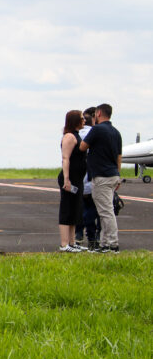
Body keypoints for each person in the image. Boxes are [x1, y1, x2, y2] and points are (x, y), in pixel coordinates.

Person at [79, 103, 122, 253]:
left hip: (102, 176)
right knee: (106, 210)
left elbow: (82, 147)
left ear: (98, 114)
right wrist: (118, 174)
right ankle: (105, 243)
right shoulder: (116, 132)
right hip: (112, 175)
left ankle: (112, 244)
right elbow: (118, 156)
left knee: (105, 211)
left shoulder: (97, 130)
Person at [58, 110, 87, 252]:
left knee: (75, 209)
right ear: (75, 120)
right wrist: (66, 179)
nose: (84, 120)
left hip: (77, 178)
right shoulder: (70, 137)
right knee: (67, 209)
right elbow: (66, 158)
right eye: (81, 118)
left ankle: (72, 241)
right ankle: (64, 244)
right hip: (70, 178)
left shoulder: (77, 136)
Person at [76, 107, 100, 248]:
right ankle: (93, 237)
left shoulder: (71, 135)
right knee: (94, 209)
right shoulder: (95, 133)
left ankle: (78, 234)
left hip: (77, 177)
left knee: (79, 207)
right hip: (92, 177)